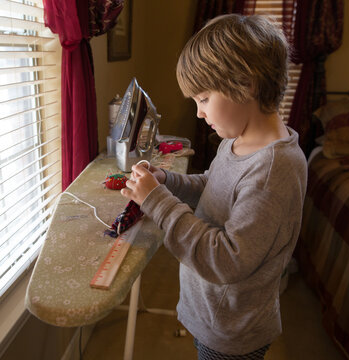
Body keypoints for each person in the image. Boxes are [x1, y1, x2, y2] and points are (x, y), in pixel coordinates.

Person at [120, 14, 307, 359]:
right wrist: (167, 182)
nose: (199, 113)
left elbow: (226, 259)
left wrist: (158, 203)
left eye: (204, 99)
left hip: (231, 334)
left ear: (246, 84)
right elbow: (213, 186)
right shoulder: (237, 141)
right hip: (211, 315)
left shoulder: (274, 169)